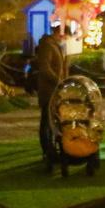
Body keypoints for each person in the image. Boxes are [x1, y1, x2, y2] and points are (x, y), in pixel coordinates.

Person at [36, 25, 68, 168]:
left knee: (51, 122)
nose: (66, 39)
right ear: (59, 34)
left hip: (54, 90)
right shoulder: (48, 46)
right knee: (47, 122)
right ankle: (47, 151)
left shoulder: (54, 45)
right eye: (65, 35)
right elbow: (45, 67)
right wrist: (58, 81)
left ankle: (51, 150)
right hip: (49, 90)